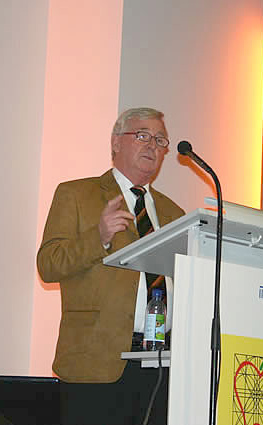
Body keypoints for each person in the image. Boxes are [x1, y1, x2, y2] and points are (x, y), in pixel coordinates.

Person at [37, 107, 185, 424]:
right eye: (142, 135)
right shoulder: (77, 194)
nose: (152, 145)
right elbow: (48, 264)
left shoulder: (174, 212)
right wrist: (99, 237)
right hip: (96, 363)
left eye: (160, 140)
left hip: (162, 366)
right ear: (116, 142)